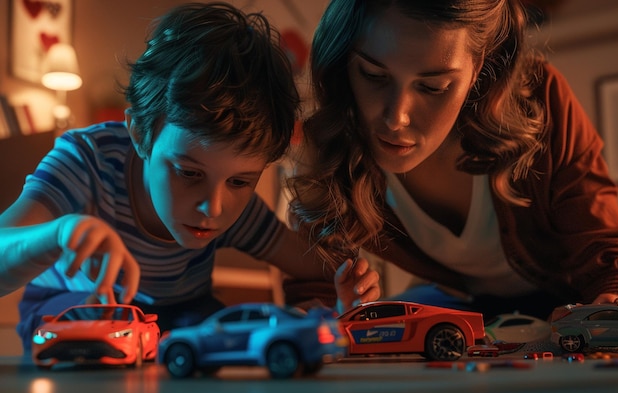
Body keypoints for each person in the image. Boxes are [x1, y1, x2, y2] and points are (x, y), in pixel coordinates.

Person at [0, 2, 379, 351]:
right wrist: (59, 234)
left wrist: (355, 288)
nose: (212, 207)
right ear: (139, 134)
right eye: (188, 172)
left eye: (240, 181)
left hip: (180, 319)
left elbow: (324, 268)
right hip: (71, 311)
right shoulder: (85, 162)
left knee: (226, 334)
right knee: (95, 324)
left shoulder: (235, 210)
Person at [285, 0, 618, 320]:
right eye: (374, 76)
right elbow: (316, 281)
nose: (396, 119)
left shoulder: (541, 102)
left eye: (434, 86)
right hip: (459, 305)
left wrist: (609, 309)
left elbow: (606, 258)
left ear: (479, 67)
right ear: (344, 62)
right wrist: (324, 312)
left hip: (566, 300)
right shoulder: (327, 143)